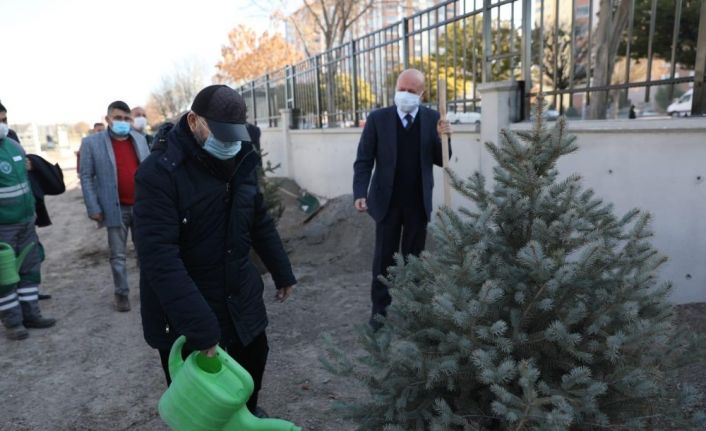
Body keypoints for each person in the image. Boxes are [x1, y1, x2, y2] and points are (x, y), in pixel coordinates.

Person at [134, 85, 296, 417]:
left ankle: (247, 420)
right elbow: (159, 258)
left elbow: (258, 218)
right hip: (187, 313)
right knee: (203, 407)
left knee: (249, 376)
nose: (229, 143)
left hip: (241, 298)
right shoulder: (159, 173)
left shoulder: (240, 158)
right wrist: (200, 330)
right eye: (219, 132)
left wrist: (282, 270)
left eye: (234, 134)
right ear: (193, 121)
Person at [352, 68, 452, 329]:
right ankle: (379, 314)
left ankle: (413, 312)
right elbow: (364, 160)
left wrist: (445, 138)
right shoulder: (378, 119)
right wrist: (360, 192)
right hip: (386, 202)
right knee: (383, 260)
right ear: (396, 89)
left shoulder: (433, 119)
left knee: (413, 260)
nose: (405, 95)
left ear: (421, 93)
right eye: (402, 90)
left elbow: (443, 161)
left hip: (417, 203)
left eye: (411, 91)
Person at [78, 101, 149, 312]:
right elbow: (86, 176)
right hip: (114, 208)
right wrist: (93, 207)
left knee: (146, 253)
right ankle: (121, 294)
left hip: (143, 207)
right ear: (108, 118)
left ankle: (149, 293)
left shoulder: (140, 139)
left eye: (127, 119)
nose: (123, 122)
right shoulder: (92, 143)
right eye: (118, 118)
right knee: (118, 255)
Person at [0, 119, 56, 340]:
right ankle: (13, 322)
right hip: (3, 228)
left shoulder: (14, 146)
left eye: (2, 119)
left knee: (30, 269)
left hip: (26, 223)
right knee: (5, 276)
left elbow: (27, 181)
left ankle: (31, 314)